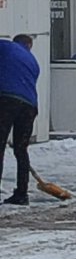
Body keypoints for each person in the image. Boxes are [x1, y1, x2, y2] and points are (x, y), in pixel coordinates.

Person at [0, 34, 41, 205]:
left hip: (7, 100)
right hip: (30, 107)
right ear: (29, 45)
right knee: (21, 149)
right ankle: (22, 193)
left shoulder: (7, 47)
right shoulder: (34, 62)